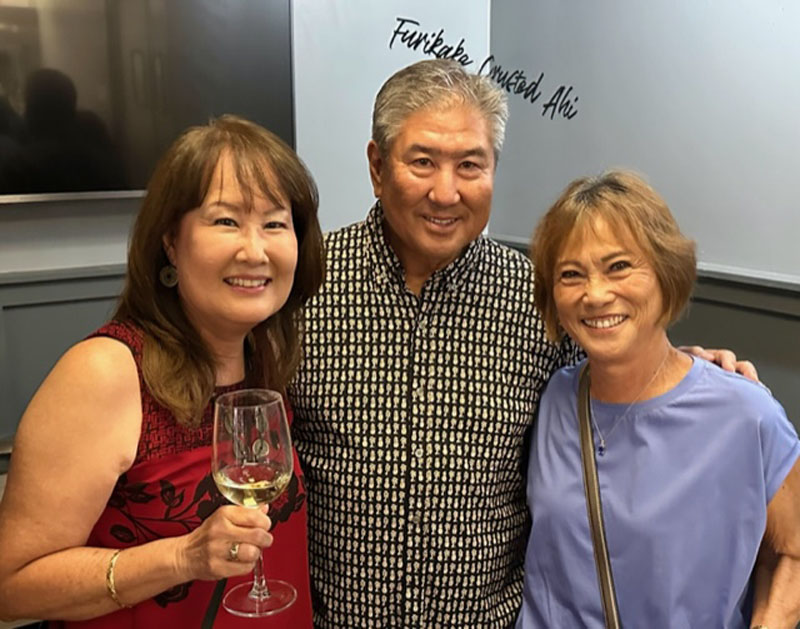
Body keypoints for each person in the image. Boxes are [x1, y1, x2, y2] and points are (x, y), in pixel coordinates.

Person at [288, 58, 753, 627]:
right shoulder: (302, 286)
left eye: (470, 165)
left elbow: (620, 378)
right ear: (378, 167)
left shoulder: (538, 298)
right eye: (423, 161)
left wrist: (689, 365)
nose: (446, 192)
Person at [0, 115, 324, 627]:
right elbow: (12, 586)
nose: (255, 250)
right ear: (171, 240)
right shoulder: (107, 372)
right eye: (226, 221)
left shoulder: (263, 356)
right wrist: (181, 557)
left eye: (275, 223)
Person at [517, 170, 800, 627]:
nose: (595, 294)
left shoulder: (746, 416)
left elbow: (793, 549)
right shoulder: (554, 398)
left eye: (618, 267)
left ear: (666, 272)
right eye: (571, 274)